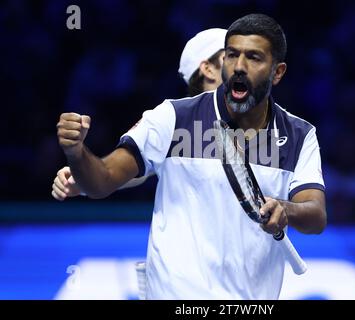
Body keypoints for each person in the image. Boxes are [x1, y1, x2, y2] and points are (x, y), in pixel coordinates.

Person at [56, 14, 326, 299]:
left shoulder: (299, 134)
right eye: (231, 55)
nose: (239, 67)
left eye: (254, 58)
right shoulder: (173, 117)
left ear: (277, 72)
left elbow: (316, 215)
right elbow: (104, 180)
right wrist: (77, 152)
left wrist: (287, 209)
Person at [52, 28, 227, 200]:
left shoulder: (253, 120)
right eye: (232, 55)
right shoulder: (171, 120)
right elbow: (110, 175)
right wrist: (79, 162)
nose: (243, 64)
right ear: (208, 69)